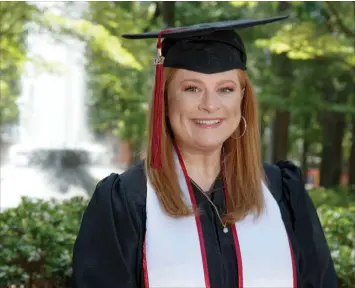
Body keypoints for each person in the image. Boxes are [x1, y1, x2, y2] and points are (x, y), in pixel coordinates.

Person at [72, 15, 338, 288]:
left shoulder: (283, 192)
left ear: (242, 99)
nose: (210, 105)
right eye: (191, 88)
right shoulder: (125, 202)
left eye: (225, 89)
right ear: (165, 98)